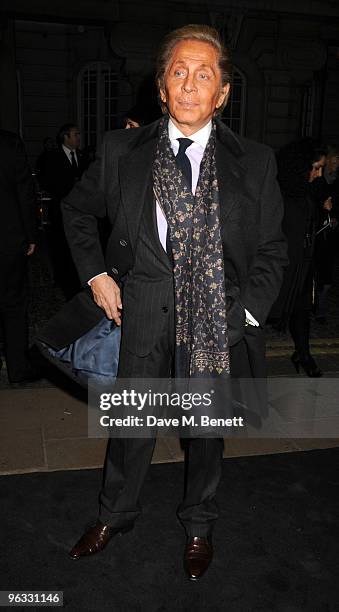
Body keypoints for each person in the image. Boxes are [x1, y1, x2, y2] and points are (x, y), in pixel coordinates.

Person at [43, 24, 287, 579]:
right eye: (178, 72)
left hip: (216, 321)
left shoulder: (255, 161)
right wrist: (98, 275)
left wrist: (245, 313)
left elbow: (274, 248)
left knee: (205, 434)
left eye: (204, 75)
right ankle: (115, 514)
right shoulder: (120, 150)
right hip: (141, 311)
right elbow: (75, 213)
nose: (190, 85)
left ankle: (199, 523)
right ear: (161, 86)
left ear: (222, 93)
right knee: (131, 429)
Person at [270, 139, 327, 376]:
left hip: (302, 268)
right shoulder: (278, 194)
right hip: (281, 269)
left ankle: (303, 354)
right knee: (263, 317)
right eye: (315, 168)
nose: (319, 173)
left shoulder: (307, 192)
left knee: (301, 312)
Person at [0, 130, 39, 383]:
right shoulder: (9, 143)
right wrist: (31, 234)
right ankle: (17, 368)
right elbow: (25, 192)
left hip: (9, 237)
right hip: (8, 237)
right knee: (13, 304)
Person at [38, 124, 88, 299]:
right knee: (60, 247)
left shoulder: (84, 156)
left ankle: (78, 280)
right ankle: (63, 280)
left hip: (81, 212)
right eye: (76, 134)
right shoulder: (52, 157)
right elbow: (47, 182)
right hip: (60, 210)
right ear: (65, 137)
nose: (79, 138)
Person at [313, 145, 339, 322]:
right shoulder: (319, 179)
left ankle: (320, 311)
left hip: (331, 236)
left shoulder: (337, 181)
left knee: (326, 276)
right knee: (315, 274)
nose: (336, 165)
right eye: (334, 161)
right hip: (317, 234)